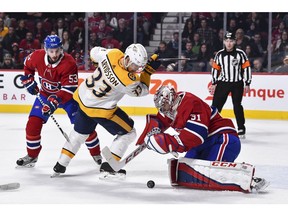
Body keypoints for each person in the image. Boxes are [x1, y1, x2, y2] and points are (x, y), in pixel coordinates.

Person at [52, 43, 160, 177]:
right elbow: (142, 90)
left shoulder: (113, 54)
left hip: (83, 100)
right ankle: (109, 165)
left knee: (79, 134)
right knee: (129, 132)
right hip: (100, 109)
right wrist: (148, 71)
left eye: (139, 66)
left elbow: (94, 53)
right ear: (127, 58)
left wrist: (100, 63)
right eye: (135, 65)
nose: (136, 69)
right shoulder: (128, 80)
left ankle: (60, 165)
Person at [137, 85, 268, 192]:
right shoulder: (170, 108)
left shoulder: (190, 103)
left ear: (171, 100)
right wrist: (149, 135)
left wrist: (167, 142)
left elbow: (195, 136)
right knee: (184, 171)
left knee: (210, 173)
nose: (163, 110)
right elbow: (159, 121)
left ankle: (249, 178)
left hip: (222, 138)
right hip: (203, 144)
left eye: (164, 107)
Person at [17, 35, 102, 168]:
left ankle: (96, 153)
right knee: (32, 124)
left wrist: (54, 101)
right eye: (51, 51)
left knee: (84, 127)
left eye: (57, 50)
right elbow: (27, 66)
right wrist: (28, 80)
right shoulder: (37, 56)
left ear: (61, 48)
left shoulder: (69, 63)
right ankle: (32, 155)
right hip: (45, 95)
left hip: (68, 99)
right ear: (45, 49)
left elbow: (69, 89)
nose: (54, 54)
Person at [209, 32, 252, 138]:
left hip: (237, 83)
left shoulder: (241, 54)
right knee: (216, 106)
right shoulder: (219, 54)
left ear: (235, 42)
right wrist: (214, 83)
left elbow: (246, 68)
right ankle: (211, 126)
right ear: (224, 42)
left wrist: (247, 83)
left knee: (237, 105)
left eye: (231, 41)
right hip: (223, 83)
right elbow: (215, 69)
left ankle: (241, 128)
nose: (229, 43)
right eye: (227, 41)